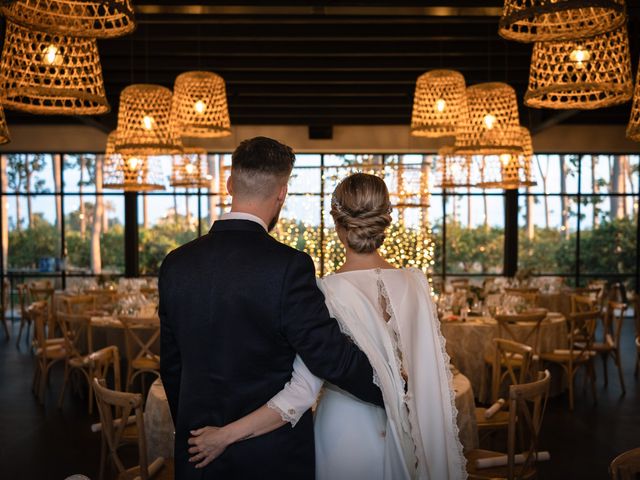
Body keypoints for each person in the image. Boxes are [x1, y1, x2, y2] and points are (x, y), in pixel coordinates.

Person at [187, 173, 467, 479]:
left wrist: (225, 435)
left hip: (344, 437)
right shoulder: (416, 284)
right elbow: (430, 373)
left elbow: (301, 393)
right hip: (413, 435)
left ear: (337, 225)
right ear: (385, 221)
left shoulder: (324, 292)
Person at [159, 137, 383, 479]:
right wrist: (394, 391)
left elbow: (172, 366)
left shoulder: (175, 264)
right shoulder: (288, 267)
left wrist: (194, 430)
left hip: (198, 450)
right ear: (282, 193)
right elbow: (328, 355)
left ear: (230, 183)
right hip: (272, 460)